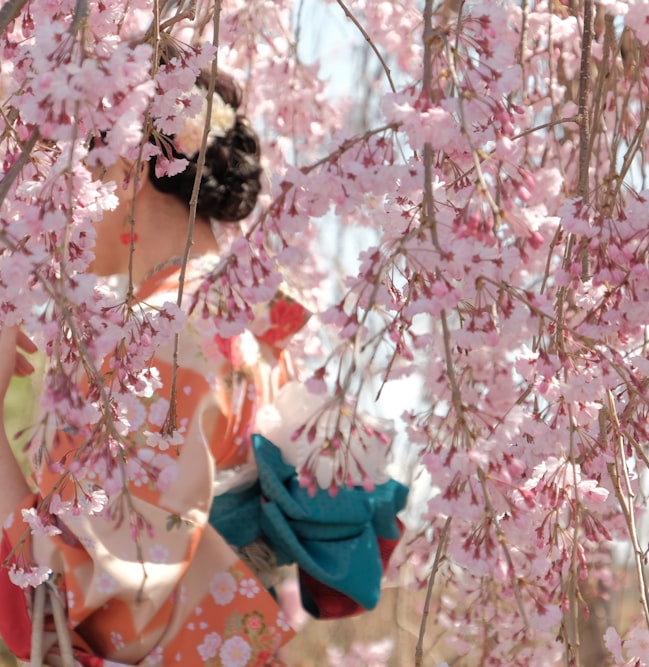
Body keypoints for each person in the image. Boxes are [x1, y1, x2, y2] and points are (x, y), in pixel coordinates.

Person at [0, 41, 406, 666]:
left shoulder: (163, 338)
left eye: (70, 172)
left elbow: (97, 601)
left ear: (128, 167)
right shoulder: (248, 318)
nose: (53, 209)